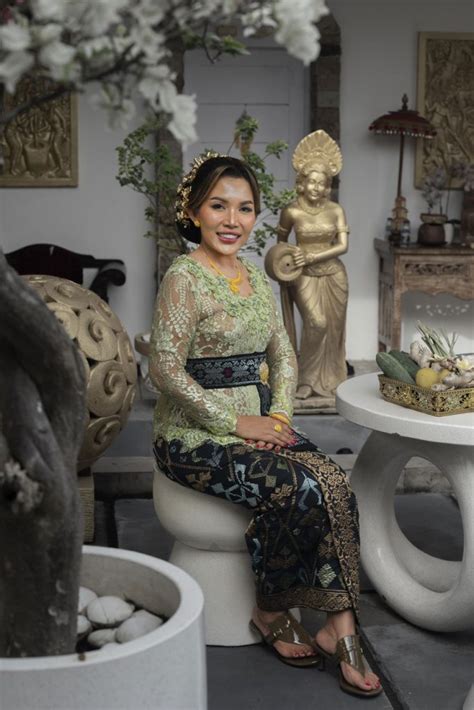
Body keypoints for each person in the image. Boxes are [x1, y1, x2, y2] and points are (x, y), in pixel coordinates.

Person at [150, 152, 381, 698]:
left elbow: (282, 355)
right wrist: (236, 421)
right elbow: (163, 369)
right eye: (219, 206)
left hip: (261, 421)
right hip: (192, 436)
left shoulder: (255, 276)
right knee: (295, 485)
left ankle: (340, 626)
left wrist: (278, 417)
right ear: (194, 211)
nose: (233, 220)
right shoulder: (184, 277)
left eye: (245, 208)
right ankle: (271, 608)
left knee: (334, 482)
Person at [271, 130, 349, 406]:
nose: (316, 187)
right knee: (317, 323)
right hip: (302, 274)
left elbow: (343, 246)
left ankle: (330, 381)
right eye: (312, 181)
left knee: (333, 329)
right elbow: (281, 244)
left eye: (322, 183)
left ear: (328, 186)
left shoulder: (335, 210)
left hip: (334, 275)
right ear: (302, 183)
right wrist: (285, 265)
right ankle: (304, 380)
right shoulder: (291, 211)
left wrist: (313, 256)